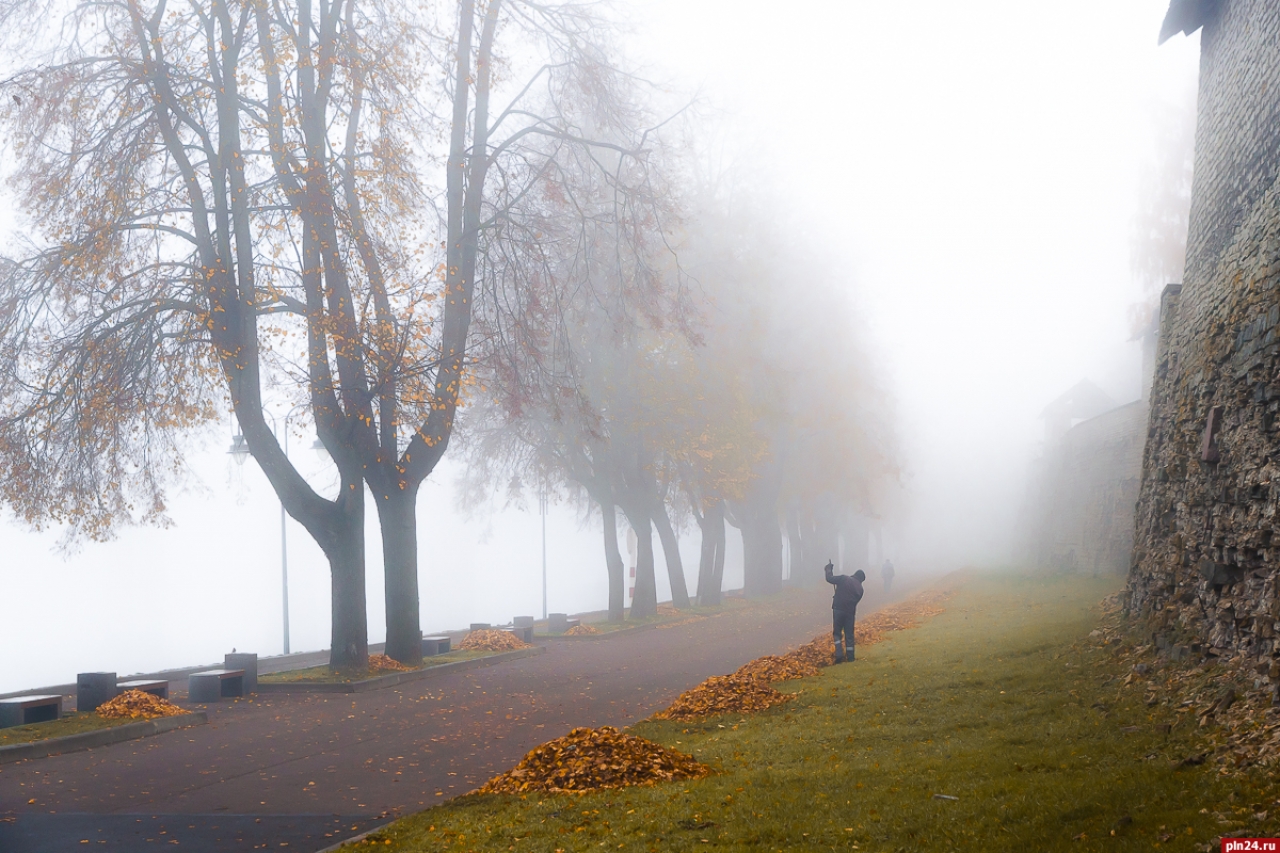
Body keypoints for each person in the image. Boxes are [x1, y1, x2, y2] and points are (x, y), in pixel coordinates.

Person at [824, 560, 864, 663]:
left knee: (837, 633)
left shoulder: (844, 578)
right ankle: (850, 658)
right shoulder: (860, 589)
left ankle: (839, 655)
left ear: (854, 574)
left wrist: (828, 569)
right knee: (849, 635)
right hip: (850, 613)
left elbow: (829, 579)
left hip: (838, 610)